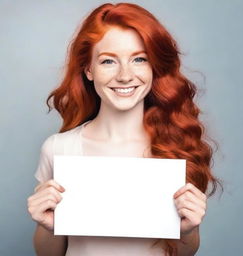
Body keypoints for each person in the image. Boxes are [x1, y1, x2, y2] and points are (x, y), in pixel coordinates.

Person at [27, 2, 222, 256]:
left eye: (139, 59)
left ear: (154, 67)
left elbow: (182, 252)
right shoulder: (59, 148)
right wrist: (48, 225)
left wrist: (189, 230)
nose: (125, 75)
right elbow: (49, 254)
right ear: (88, 69)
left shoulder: (176, 147)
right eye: (108, 61)